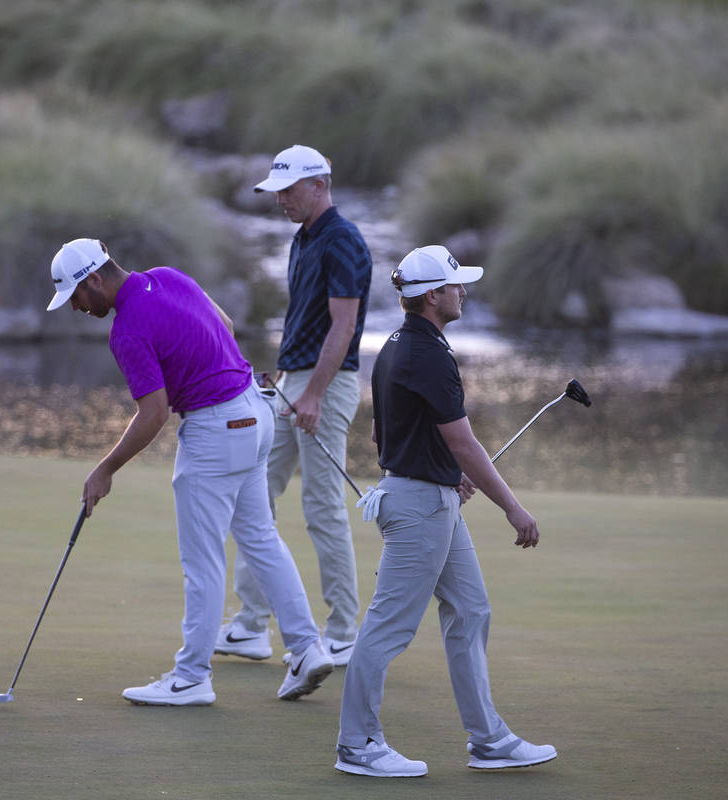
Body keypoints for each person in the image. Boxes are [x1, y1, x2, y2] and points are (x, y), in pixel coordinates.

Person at [44, 237, 334, 706]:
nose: (76, 307)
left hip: (215, 430)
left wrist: (106, 468)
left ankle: (192, 677)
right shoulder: (169, 277)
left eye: (76, 296)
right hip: (253, 413)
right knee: (260, 538)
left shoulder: (126, 331)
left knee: (203, 561)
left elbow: (154, 413)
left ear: (94, 280)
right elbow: (225, 323)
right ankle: (306, 648)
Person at [333, 245, 558, 777]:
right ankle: (357, 744)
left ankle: (489, 740)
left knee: (471, 609)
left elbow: (384, 431)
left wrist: (439, 471)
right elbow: (463, 443)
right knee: (388, 627)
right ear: (432, 295)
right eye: (456, 285)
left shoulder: (397, 344)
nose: (464, 292)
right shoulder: (428, 353)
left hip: (423, 496)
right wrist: (513, 508)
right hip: (419, 509)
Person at [216, 144, 371, 667]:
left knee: (323, 508)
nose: (280, 199)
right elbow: (306, 322)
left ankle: (345, 631)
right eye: (276, 191)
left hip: (327, 384)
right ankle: (251, 625)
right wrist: (285, 378)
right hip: (293, 382)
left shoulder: (343, 240)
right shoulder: (303, 239)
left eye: (289, 189)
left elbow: (344, 326)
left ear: (319, 185)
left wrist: (314, 393)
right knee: (255, 494)